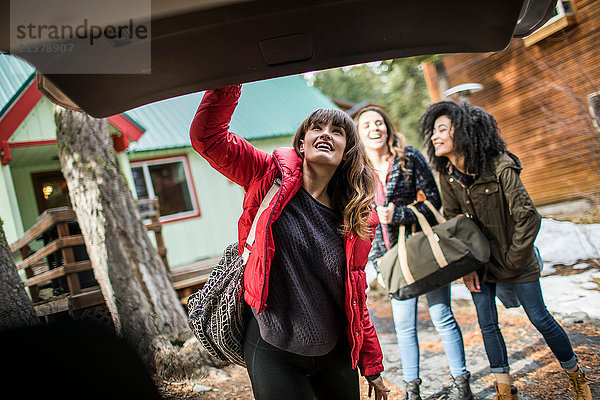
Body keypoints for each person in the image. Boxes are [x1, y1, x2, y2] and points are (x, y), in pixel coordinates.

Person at [190, 85, 390, 400]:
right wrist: (231, 78)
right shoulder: (266, 175)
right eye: (317, 128)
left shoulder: (355, 218)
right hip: (272, 347)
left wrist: (372, 364)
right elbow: (209, 138)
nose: (326, 134)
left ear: (347, 150)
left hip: (335, 352)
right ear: (302, 142)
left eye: (337, 131)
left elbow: (356, 294)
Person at [418, 100, 592, 400]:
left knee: (540, 318)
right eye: (433, 131)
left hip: (517, 258)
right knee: (487, 324)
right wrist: (467, 266)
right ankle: (504, 389)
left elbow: (527, 217)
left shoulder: (500, 165)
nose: (435, 136)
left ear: (464, 132)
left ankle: (575, 374)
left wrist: (513, 262)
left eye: (442, 129)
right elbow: (453, 222)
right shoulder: (447, 175)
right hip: (480, 263)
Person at [355, 106, 473, 400]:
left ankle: (462, 384)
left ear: (388, 127)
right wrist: (375, 261)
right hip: (390, 261)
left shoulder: (409, 158)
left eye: (379, 122)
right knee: (404, 326)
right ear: (359, 133)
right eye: (367, 124)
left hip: (423, 251)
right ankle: (412, 391)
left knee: (442, 315)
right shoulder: (357, 171)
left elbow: (434, 202)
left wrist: (399, 213)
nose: (375, 128)